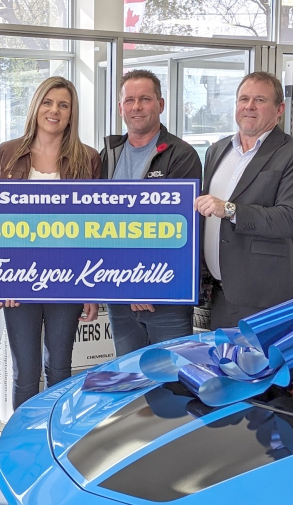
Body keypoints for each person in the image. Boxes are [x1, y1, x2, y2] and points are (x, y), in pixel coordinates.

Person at [0, 76, 101, 409]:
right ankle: (22, 447)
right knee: (25, 372)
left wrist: (91, 289)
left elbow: (96, 229)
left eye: (63, 105)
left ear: (71, 114)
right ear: (36, 106)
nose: (55, 110)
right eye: (48, 102)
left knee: (60, 369)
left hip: (67, 281)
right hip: (17, 282)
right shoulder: (8, 153)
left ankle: (56, 441)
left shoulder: (89, 159)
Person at [194, 71, 293, 330]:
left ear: (279, 109)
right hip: (220, 294)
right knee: (224, 368)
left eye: (260, 100)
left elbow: (289, 219)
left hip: (266, 299)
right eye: (243, 99)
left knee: (268, 370)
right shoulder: (217, 150)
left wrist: (229, 209)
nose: (249, 106)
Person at [101, 69, 202, 356]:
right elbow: (97, 223)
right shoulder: (109, 154)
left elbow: (178, 227)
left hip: (164, 292)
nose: (136, 107)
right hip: (119, 289)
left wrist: (146, 281)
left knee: (171, 379)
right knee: (129, 377)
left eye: (145, 99)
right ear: (120, 107)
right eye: (129, 100)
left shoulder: (180, 155)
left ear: (160, 104)